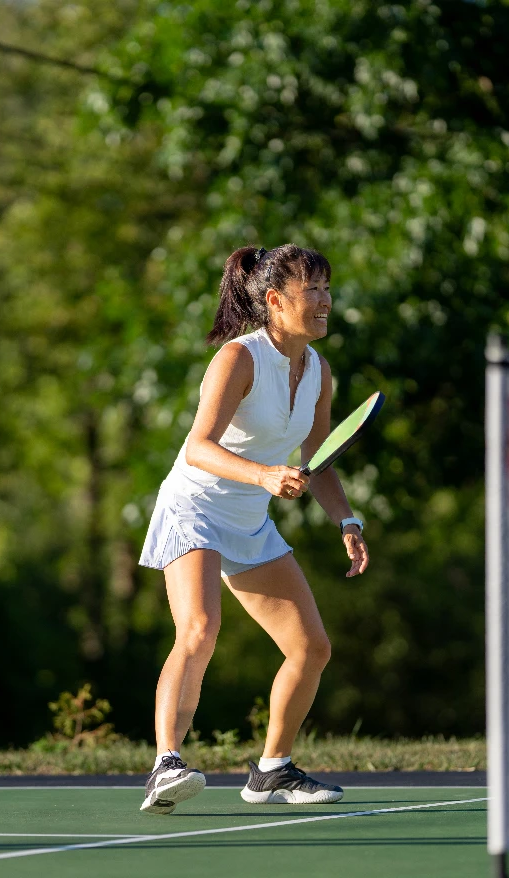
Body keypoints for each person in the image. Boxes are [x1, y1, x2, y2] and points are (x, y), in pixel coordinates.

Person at [137, 244, 370, 815]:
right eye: (310, 290)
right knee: (198, 627)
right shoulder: (239, 359)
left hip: (248, 519)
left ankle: (272, 770)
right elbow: (198, 447)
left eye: (326, 288)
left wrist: (347, 517)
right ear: (274, 301)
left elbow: (318, 455)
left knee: (311, 647)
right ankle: (166, 763)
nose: (323, 301)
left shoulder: (317, 370)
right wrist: (265, 474)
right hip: (195, 507)